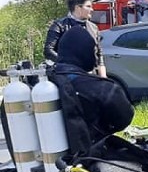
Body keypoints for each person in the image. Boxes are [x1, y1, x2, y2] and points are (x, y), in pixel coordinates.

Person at [49, 26, 135, 155]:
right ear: (85, 52)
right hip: (90, 160)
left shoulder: (42, 84)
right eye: (93, 51)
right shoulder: (102, 88)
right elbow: (125, 116)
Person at [44, 0, 106, 77]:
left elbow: (99, 55)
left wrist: (103, 78)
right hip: (66, 77)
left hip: (91, 77)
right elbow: (48, 51)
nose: (92, 10)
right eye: (88, 6)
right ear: (78, 8)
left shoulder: (94, 28)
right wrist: (71, 66)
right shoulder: (59, 25)